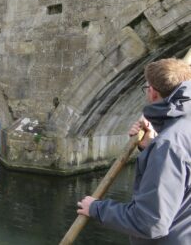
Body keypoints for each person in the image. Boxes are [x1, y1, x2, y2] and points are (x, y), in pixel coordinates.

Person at [77, 58, 191, 244]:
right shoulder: (175, 136)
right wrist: (149, 146)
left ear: (153, 92)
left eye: (146, 88)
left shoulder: (169, 144)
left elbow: (150, 223)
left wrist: (97, 208)